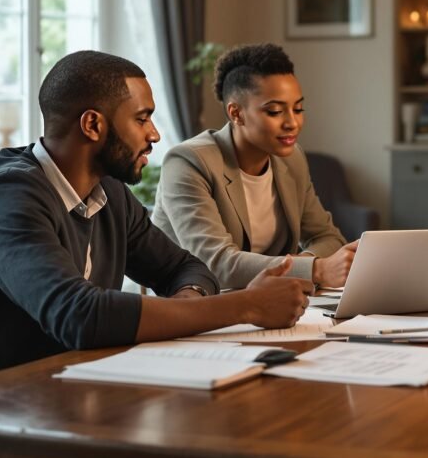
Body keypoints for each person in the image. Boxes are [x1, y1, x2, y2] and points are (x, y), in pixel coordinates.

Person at [0, 51, 313, 458]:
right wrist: (244, 306)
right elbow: (78, 316)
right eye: (142, 118)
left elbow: (186, 269)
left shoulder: (110, 194)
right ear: (92, 125)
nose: (155, 134)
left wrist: (190, 304)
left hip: (68, 417)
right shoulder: (10, 197)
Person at [153, 43, 357, 290]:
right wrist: (315, 269)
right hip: (194, 303)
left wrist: (300, 265)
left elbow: (327, 237)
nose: (292, 123)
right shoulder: (188, 162)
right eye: (274, 111)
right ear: (236, 114)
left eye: (298, 108)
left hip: (271, 300)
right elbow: (216, 263)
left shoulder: (291, 159)